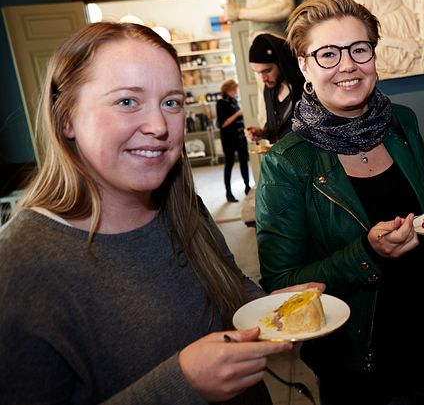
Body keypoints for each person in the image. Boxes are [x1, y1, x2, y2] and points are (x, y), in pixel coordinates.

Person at [0, 22, 308, 404]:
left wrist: (270, 308)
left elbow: (228, 284)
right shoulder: (19, 267)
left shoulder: (181, 205)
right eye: (127, 101)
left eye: (171, 102)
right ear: (66, 118)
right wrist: (182, 384)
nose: (160, 126)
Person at [255, 0, 424, 405]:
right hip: (357, 363)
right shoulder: (287, 163)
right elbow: (283, 285)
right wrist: (368, 253)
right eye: (328, 54)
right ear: (303, 66)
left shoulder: (402, 123)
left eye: (359, 49)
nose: (348, 65)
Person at [244, 32, 304, 143]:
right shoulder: (269, 90)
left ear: (281, 63)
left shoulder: (305, 89)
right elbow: (275, 130)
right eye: (258, 73)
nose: (263, 79)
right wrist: (262, 133)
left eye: (267, 71)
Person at [216, 78, 250, 202]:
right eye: (234, 90)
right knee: (229, 164)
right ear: (228, 90)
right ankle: (228, 192)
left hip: (239, 137)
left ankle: (247, 187)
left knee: (244, 161)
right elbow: (223, 124)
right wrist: (238, 114)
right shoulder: (221, 103)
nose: (235, 92)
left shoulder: (234, 101)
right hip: (229, 139)